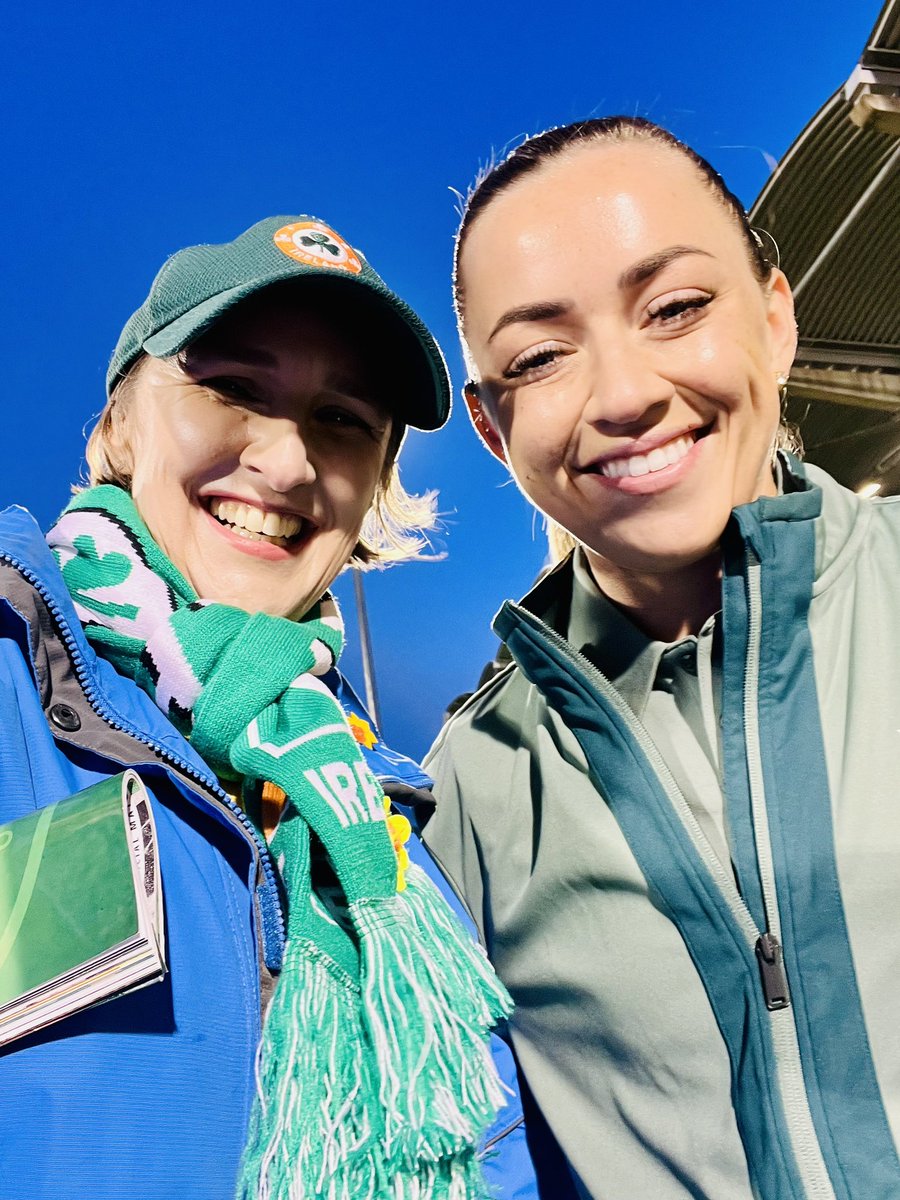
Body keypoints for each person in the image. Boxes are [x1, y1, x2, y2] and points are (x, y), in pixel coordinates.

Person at [0, 214, 536, 1200]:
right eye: (234, 389)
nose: (288, 464)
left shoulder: (390, 821)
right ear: (120, 420)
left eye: (343, 421)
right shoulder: (12, 680)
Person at [422, 116, 900, 1200]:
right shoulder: (465, 795)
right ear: (494, 432)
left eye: (676, 307)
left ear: (777, 320)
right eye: (540, 357)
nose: (624, 394)